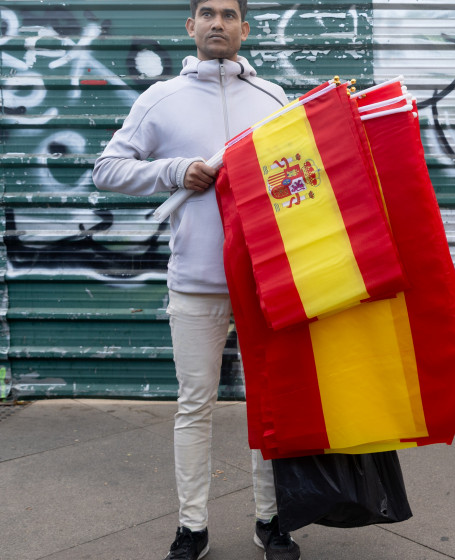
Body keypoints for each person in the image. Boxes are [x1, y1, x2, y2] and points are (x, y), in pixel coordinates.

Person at [92, 1, 300, 559]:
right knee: (194, 404)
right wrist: (173, 169)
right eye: (206, 13)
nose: (217, 23)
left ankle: (271, 519)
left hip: (266, 285)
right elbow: (106, 168)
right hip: (196, 282)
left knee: (271, 406)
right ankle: (192, 528)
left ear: (244, 29)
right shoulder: (161, 98)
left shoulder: (275, 99)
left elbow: (301, 179)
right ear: (190, 27)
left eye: (229, 15)